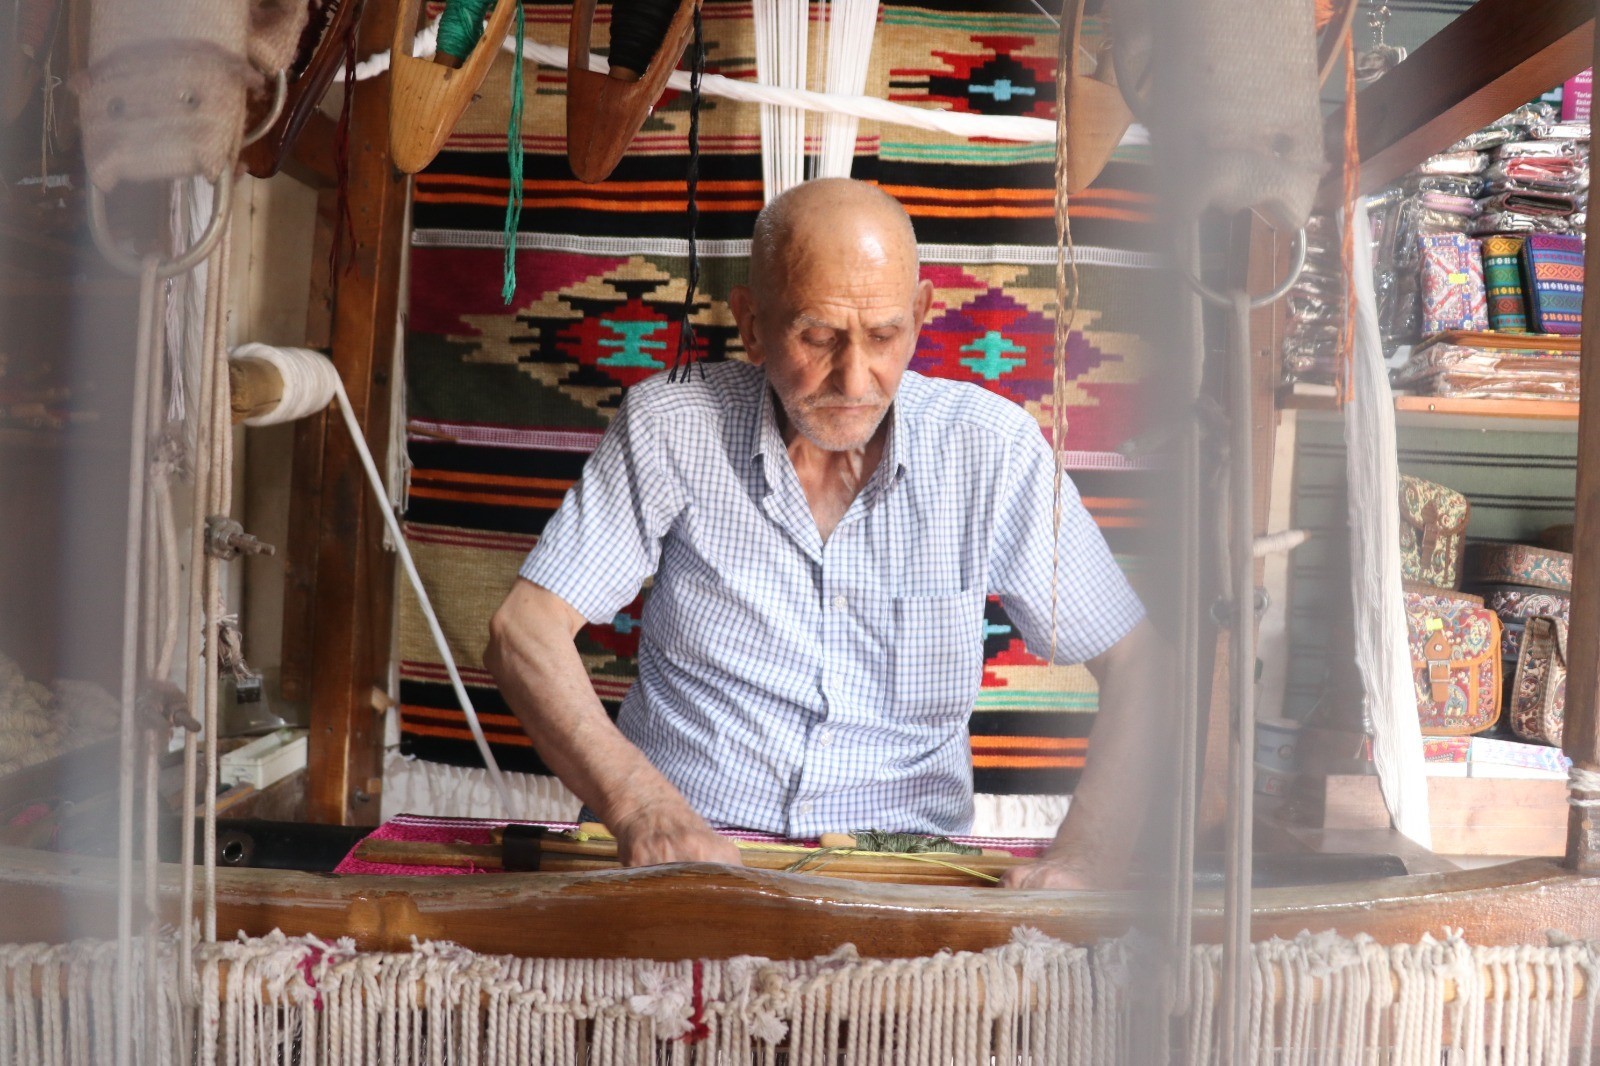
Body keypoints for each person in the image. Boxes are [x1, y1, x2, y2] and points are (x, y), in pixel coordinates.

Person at [485, 178, 1167, 889]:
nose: (855, 376)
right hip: (687, 864)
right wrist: (641, 805)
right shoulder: (671, 424)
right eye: (818, 336)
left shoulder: (992, 450)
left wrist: (1089, 856)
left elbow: (1142, 664)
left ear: (922, 314)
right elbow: (522, 630)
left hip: (902, 879)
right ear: (750, 324)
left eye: (883, 335)